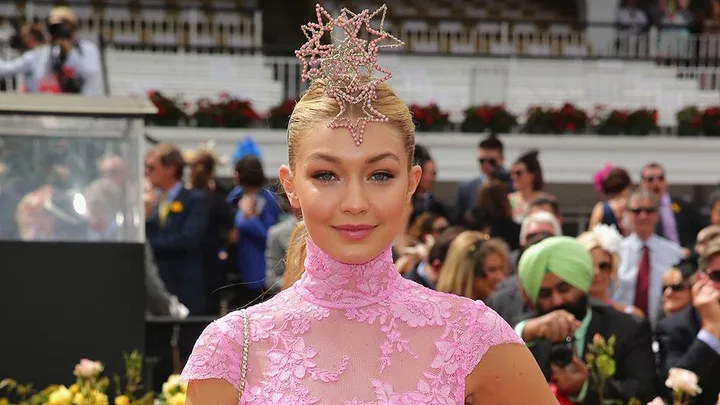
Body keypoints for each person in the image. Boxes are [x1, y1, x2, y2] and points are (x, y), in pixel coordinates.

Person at [181, 5, 556, 404]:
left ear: (411, 183)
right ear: (291, 187)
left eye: (380, 175)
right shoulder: (232, 348)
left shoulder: (473, 337)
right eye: (326, 175)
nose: (356, 203)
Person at [516, 236, 656, 405]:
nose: (557, 301)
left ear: (581, 284)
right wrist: (527, 332)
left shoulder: (629, 328)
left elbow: (644, 391)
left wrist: (584, 387)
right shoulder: (529, 333)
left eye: (564, 288)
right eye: (546, 294)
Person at [0, 6, 103, 95]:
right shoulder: (42, 53)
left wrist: (70, 53)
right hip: (50, 107)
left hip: (82, 108)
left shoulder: (88, 49)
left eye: (64, 24)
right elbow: (40, 77)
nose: (60, 30)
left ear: (73, 26)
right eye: (55, 27)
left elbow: (90, 75)